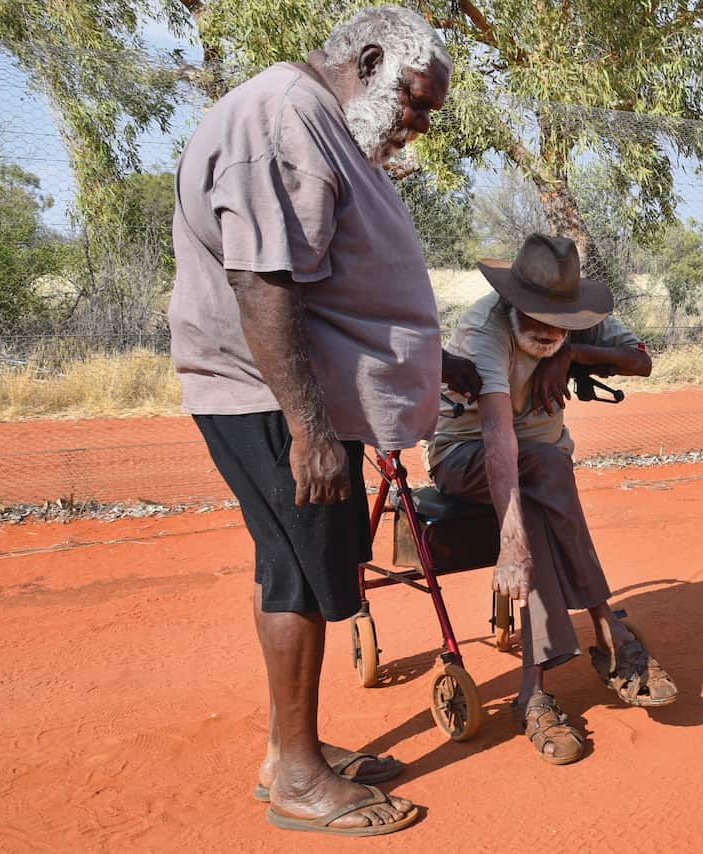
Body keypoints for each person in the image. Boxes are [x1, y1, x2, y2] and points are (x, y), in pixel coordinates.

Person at [169, 7, 480, 837]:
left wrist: (424, 357)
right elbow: (263, 284)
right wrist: (308, 428)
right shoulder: (283, 117)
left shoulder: (322, 122)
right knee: (299, 571)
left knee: (296, 563)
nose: (416, 124)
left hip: (297, 393)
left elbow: (338, 276)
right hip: (268, 394)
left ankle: (290, 753)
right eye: (416, 103)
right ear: (370, 60)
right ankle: (299, 780)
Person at [428, 234, 678, 766]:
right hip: (466, 456)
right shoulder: (483, 329)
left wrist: (570, 355)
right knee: (543, 465)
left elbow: (641, 360)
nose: (546, 329)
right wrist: (510, 543)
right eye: (536, 318)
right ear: (512, 301)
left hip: (544, 469)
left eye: (558, 321)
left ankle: (533, 690)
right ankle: (607, 631)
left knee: (545, 474)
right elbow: (499, 438)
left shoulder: (572, 321)